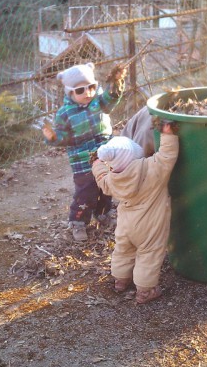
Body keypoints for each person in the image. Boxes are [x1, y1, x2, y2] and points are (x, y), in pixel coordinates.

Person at [92, 124, 179, 305]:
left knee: (123, 250)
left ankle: (120, 280)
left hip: (125, 226)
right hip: (149, 226)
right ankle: (145, 291)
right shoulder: (151, 168)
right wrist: (167, 133)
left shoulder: (112, 178)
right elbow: (167, 155)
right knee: (149, 254)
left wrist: (96, 163)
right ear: (134, 154)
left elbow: (101, 179)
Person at [42, 62, 126, 241]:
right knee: (86, 193)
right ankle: (78, 222)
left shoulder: (99, 102)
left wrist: (115, 82)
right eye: (80, 91)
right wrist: (53, 137)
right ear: (70, 92)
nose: (87, 93)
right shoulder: (65, 113)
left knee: (106, 187)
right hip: (83, 162)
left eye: (91, 87)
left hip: (104, 156)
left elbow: (111, 98)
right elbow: (64, 137)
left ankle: (103, 213)